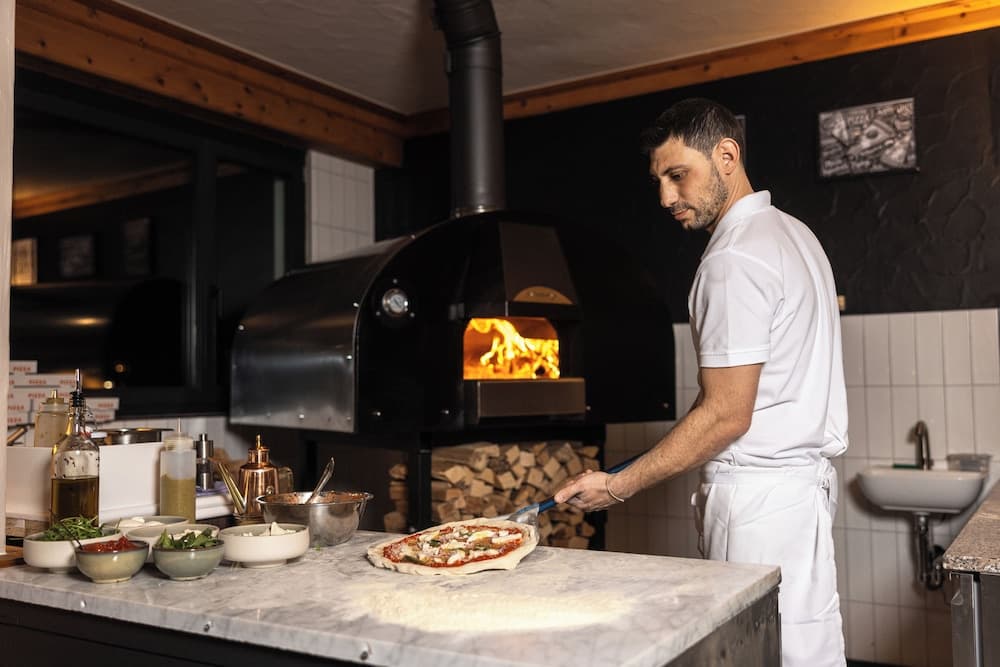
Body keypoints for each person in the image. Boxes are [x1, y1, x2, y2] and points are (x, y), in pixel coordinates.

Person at [553, 98, 848, 667]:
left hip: (756, 506)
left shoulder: (732, 260)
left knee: (752, 658)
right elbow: (728, 398)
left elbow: (727, 415)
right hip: (799, 499)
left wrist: (617, 486)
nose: (666, 197)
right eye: (658, 181)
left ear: (727, 156)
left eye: (678, 174)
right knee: (804, 652)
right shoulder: (795, 236)